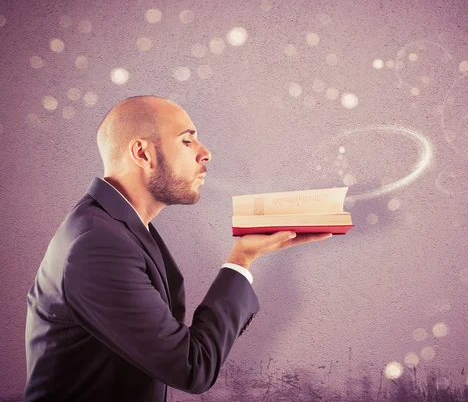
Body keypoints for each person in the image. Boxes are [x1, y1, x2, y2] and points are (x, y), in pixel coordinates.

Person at [24, 95, 333, 401]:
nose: (206, 153)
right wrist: (243, 258)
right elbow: (191, 367)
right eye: (187, 141)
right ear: (143, 153)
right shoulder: (98, 245)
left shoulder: (118, 229)